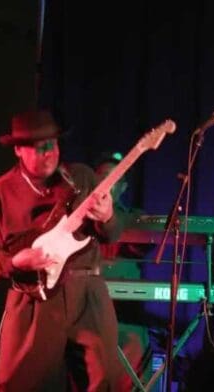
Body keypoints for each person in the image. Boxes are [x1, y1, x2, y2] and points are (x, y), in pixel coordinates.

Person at [0, 110, 123, 391]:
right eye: (39, 146)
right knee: (19, 383)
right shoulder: (1, 192)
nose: (49, 153)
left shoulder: (80, 177)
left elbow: (113, 235)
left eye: (53, 144)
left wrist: (107, 217)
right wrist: (15, 262)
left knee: (104, 380)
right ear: (18, 150)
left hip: (87, 292)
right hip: (35, 299)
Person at [94, 151, 151, 390]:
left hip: (125, 313)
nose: (108, 184)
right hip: (90, 305)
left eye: (115, 178)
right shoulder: (79, 217)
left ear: (124, 187)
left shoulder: (134, 218)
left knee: (134, 344)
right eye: (104, 177)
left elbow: (142, 246)